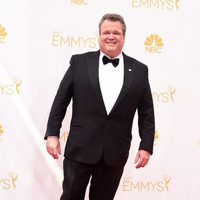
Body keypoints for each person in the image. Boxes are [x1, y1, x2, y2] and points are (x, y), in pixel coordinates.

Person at [44, 13, 155, 200]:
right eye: (106, 32)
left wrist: (146, 146)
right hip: (80, 148)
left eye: (116, 33)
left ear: (124, 37)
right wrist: (53, 134)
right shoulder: (79, 63)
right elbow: (60, 101)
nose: (111, 36)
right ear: (99, 35)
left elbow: (146, 113)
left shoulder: (139, 70)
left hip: (114, 151)